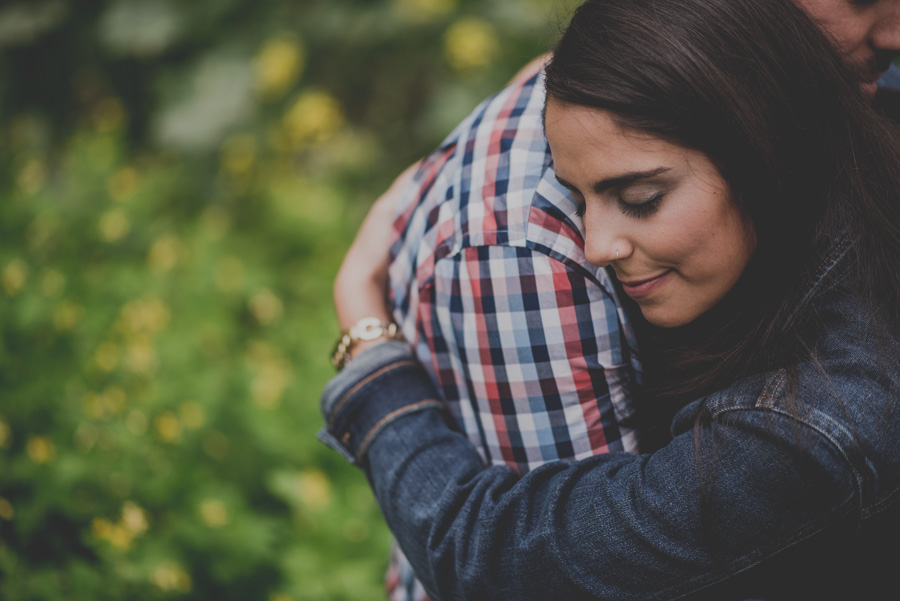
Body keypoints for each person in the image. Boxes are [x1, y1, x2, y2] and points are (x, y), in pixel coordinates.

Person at [321, 0, 900, 598]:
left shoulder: (819, 426)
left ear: (766, 151)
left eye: (641, 199)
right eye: (575, 198)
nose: (596, 246)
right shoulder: (859, 154)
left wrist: (366, 339)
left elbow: (499, 562)